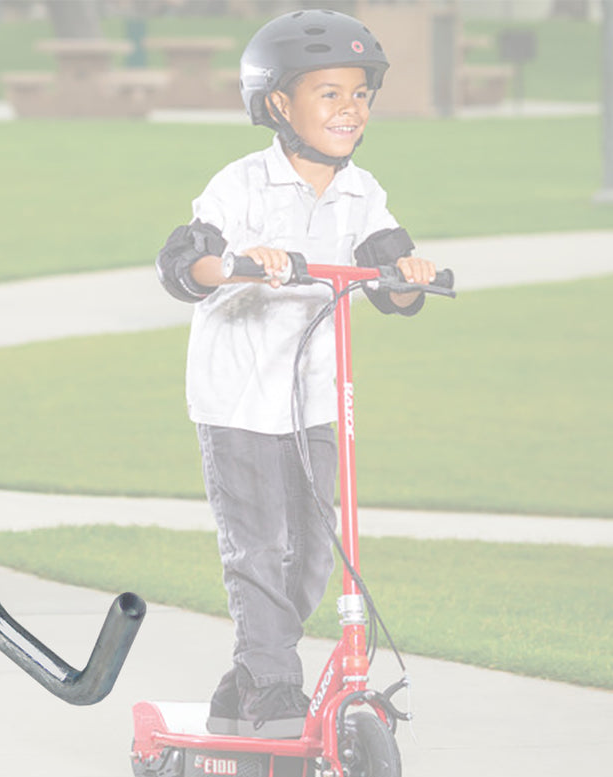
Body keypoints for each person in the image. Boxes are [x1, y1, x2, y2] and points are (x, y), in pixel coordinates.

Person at [155, 9, 437, 739]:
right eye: (330, 93)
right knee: (258, 545)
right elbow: (188, 262)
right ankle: (274, 685)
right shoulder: (242, 185)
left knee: (316, 553)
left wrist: (406, 274)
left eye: (360, 95)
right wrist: (245, 263)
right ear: (279, 104)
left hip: (315, 398)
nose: (350, 110)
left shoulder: (360, 194)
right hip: (239, 396)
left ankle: (251, 671)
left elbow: (391, 283)